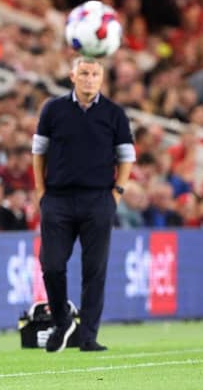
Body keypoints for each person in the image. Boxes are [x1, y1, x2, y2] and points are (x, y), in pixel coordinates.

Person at [31, 56, 135, 353]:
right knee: (51, 265)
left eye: (95, 74)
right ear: (72, 75)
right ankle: (63, 322)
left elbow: (126, 155)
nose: (89, 78)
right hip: (58, 199)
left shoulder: (114, 113)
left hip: (98, 199)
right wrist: (41, 190)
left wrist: (117, 192)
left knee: (95, 269)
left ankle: (88, 335)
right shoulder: (53, 109)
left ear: (102, 79)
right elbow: (39, 151)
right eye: (84, 73)